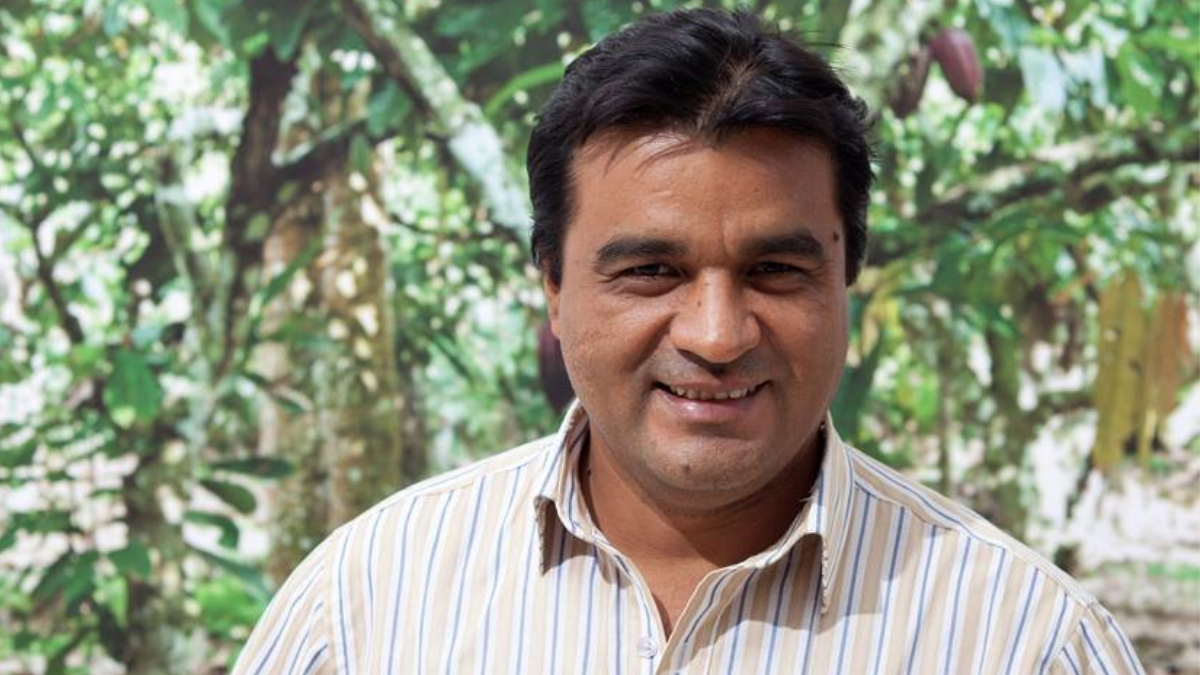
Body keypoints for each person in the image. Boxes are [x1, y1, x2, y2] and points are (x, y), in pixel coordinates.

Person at [233, 8, 1144, 674]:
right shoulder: (365, 605)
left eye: (775, 270)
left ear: (846, 276)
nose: (716, 336)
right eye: (650, 271)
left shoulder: (1025, 639)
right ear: (553, 285)